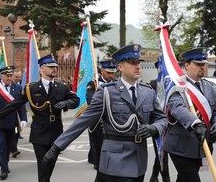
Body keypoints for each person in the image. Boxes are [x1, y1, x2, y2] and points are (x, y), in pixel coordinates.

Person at [42, 44, 168, 182]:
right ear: (120, 67)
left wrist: (155, 128)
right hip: (114, 162)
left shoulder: (148, 92)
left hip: (139, 161)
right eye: (132, 63)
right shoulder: (107, 92)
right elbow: (83, 121)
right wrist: (57, 147)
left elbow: (162, 118)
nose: (137, 66)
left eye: (138, 63)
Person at [0, 54, 80, 182]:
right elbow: (12, 106)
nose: (54, 69)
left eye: (55, 66)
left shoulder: (61, 87)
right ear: (42, 69)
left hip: (56, 132)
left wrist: (67, 103)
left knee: (50, 163)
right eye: (50, 67)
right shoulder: (31, 88)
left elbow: (75, 100)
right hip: (39, 132)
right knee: (42, 162)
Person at [163, 47, 216, 182]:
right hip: (180, 146)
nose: (202, 67)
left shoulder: (209, 87)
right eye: (198, 64)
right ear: (187, 65)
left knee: (184, 179)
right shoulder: (178, 86)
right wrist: (195, 123)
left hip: (202, 145)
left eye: (204, 64)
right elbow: (177, 108)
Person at [0, 66, 27, 180]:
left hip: (12, 122)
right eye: (7, 76)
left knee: (8, 145)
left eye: (10, 75)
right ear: (1, 76)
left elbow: (20, 105)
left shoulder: (18, 88)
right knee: (1, 144)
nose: (9, 78)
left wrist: (23, 118)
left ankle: (5, 162)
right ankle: (3, 169)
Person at [86, 57, 117, 171]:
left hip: (113, 120)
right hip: (98, 119)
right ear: (102, 70)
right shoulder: (93, 84)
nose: (111, 75)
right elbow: (90, 101)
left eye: (113, 73)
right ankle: (98, 164)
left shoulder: (117, 84)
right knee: (97, 143)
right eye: (108, 72)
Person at [147, 61, 170, 182]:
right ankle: (165, 177)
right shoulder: (152, 84)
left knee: (162, 152)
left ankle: (154, 176)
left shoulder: (171, 84)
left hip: (170, 123)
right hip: (157, 124)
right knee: (161, 151)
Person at [11, 69, 23, 158]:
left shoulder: (21, 85)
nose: (18, 78)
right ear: (12, 76)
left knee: (15, 132)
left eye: (19, 76)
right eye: (16, 77)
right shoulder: (8, 86)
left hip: (17, 114)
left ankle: (14, 149)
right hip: (8, 113)